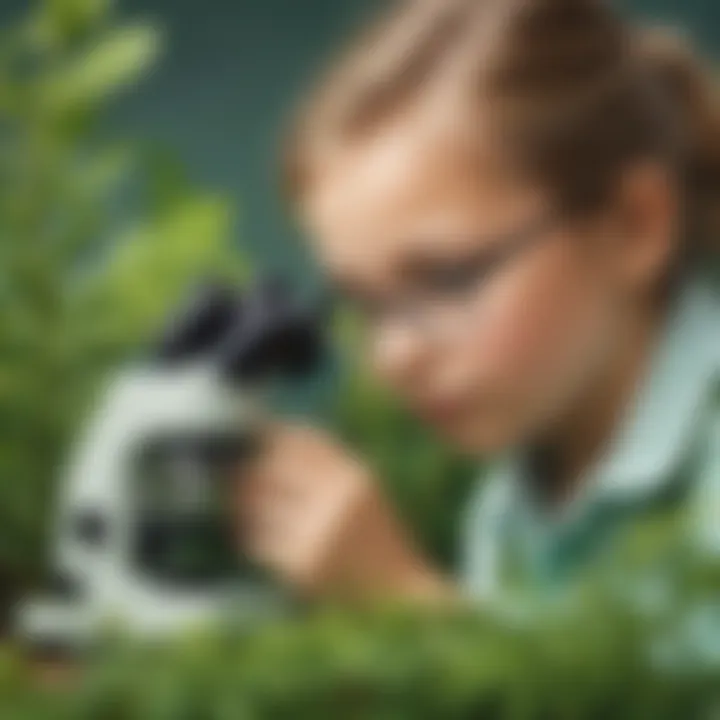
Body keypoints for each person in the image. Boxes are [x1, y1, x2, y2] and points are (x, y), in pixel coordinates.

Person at [235, 0, 720, 605]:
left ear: (634, 224)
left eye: (449, 279)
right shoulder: (510, 505)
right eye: (365, 303)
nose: (395, 355)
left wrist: (405, 600)